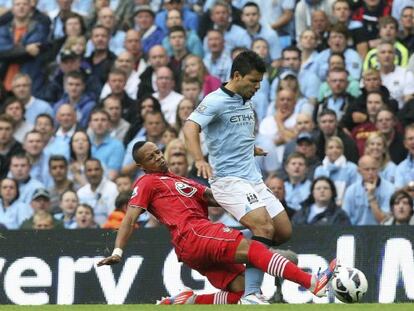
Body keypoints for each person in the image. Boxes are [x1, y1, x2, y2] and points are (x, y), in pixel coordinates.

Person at [97, 141, 337, 305]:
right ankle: (311, 282)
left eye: (158, 152)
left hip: (194, 246)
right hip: (194, 233)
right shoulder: (147, 182)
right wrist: (118, 251)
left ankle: (191, 301)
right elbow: (130, 218)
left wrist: (245, 195)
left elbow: (215, 197)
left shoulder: (181, 181)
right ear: (141, 166)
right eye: (151, 157)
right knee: (253, 249)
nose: (158, 157)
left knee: (242, 292)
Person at [184, 50, 294, 303]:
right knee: (263, 227)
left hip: (252, 178)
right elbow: (190, 127)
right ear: (236, 75)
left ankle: (222, 247)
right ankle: (251, 294)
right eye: (253, 81)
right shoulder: (214, 101)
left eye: (259, 82)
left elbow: (233, 134)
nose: (257, 87)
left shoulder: (246, 99)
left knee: (282, 232)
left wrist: (250, 148)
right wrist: (199, 159)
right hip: (228, 181)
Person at [343, 155, 395, 225]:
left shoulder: (390, 189)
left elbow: (384, 220)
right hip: (356, 231)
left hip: (381, 232)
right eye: (367, 169)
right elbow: (345, 219)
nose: (370, 172)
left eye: (373, 169)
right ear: (359, 171)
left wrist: (371, 196)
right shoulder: (351, 190)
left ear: (379, 169)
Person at [314, 136, 358, 205]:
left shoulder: (352, 168)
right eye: (331, 147)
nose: (334, 150)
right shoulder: (319, 170)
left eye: (338, 147)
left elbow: (355, 192)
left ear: (342, 150)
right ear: (325, 151)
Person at [77, 158, 118, 225]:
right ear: (84, 173)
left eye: (96, 169)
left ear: (102, 171)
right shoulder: (80, 193)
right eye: (89, 170)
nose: (93, 173)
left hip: (106, 232)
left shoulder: (113, 189)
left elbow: (113, 217)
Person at [0, 114, 23, 178]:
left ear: (13, 130)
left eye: (7, 129)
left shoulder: (21, 149)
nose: (3, 133)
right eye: (0, 129)